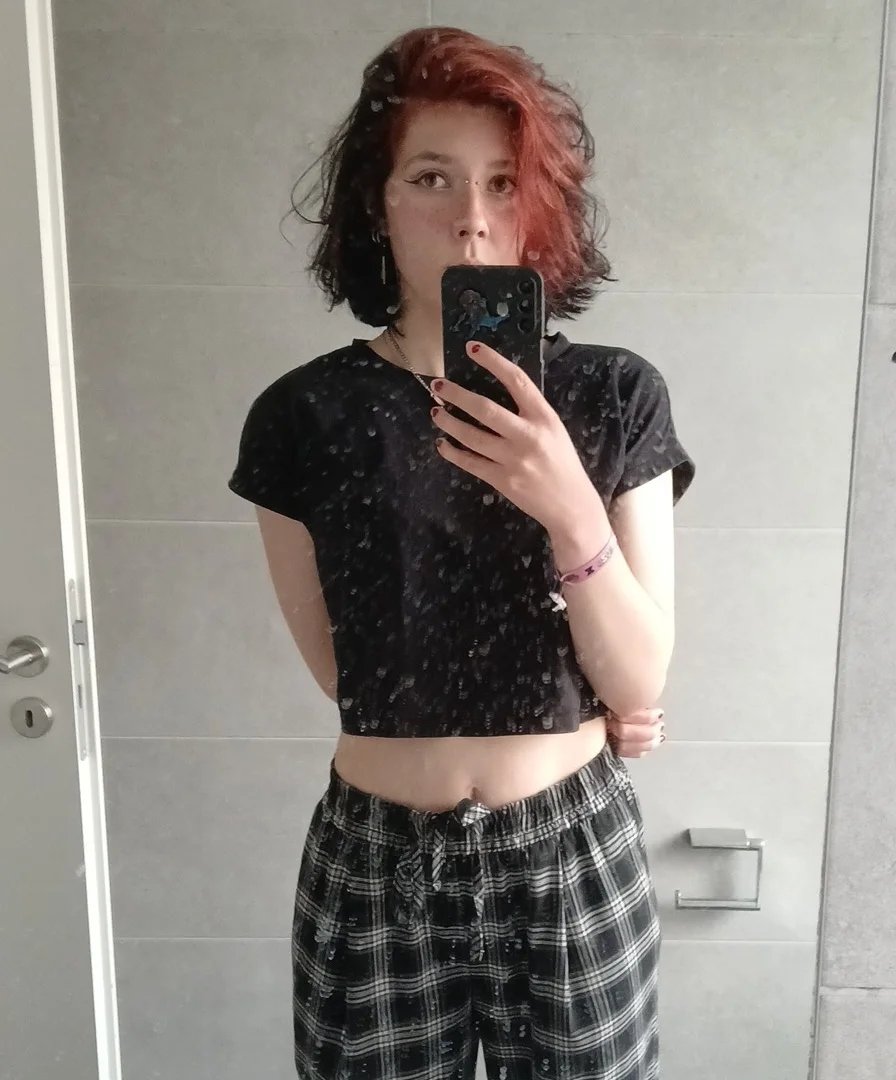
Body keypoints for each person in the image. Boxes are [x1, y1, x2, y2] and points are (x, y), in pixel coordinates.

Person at [228, 26, 694, 1080]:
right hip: (375, 857)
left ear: (540, 205)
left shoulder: (616, 394)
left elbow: (641, 677)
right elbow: (356, 675)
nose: (473, 216)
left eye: (502, 181)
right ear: (377, 203)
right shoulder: (303, 417)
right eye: (432, 177)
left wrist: (570, 509)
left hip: (571, 852)